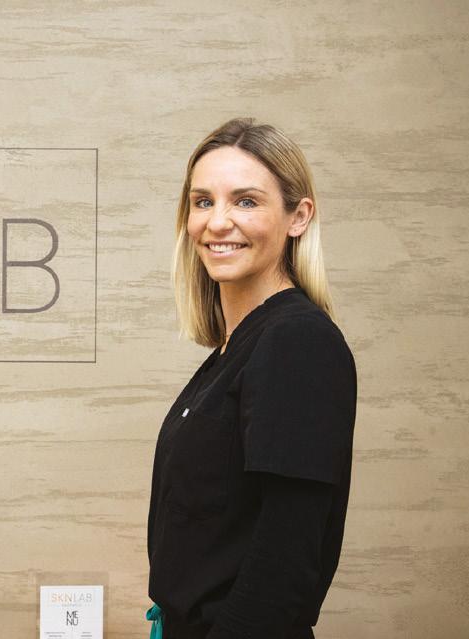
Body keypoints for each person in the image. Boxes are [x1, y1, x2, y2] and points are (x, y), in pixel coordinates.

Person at [144, 118, 358, 639]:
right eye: (202, 202)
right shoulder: (235, 348)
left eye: (245, 201)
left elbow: (284, 563)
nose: (217, 222)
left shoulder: (297, 343)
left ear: (298, 216)